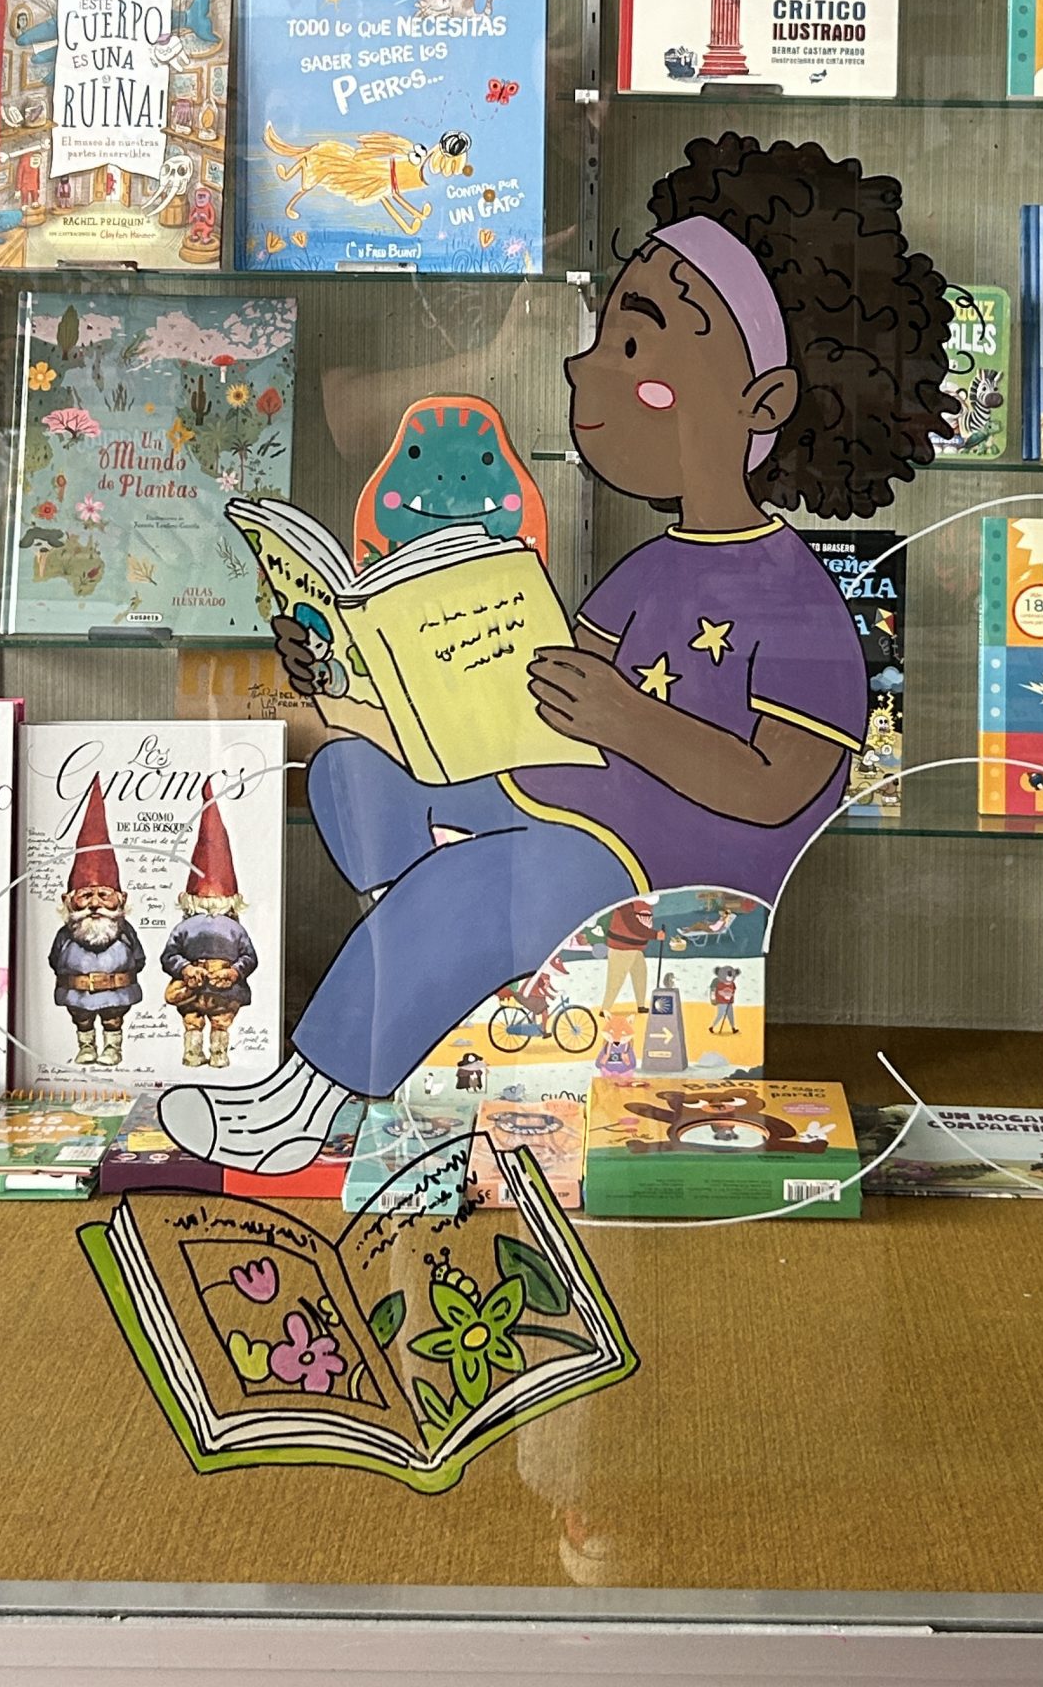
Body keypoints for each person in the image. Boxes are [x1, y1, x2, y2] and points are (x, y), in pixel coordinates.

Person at [157, 133, 959, 1172]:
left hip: (670, 878)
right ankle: (419, 970)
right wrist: (344, 678)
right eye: (606, 336)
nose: (588, 367)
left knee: (488, 881)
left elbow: (783, 789)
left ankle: (311, 1102)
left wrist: (628, 717)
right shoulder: (650, 568)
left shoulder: (794, 592)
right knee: (355, 769)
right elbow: (529, 710)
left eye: (637, 346)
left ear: (764, 402)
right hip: (569, 806)